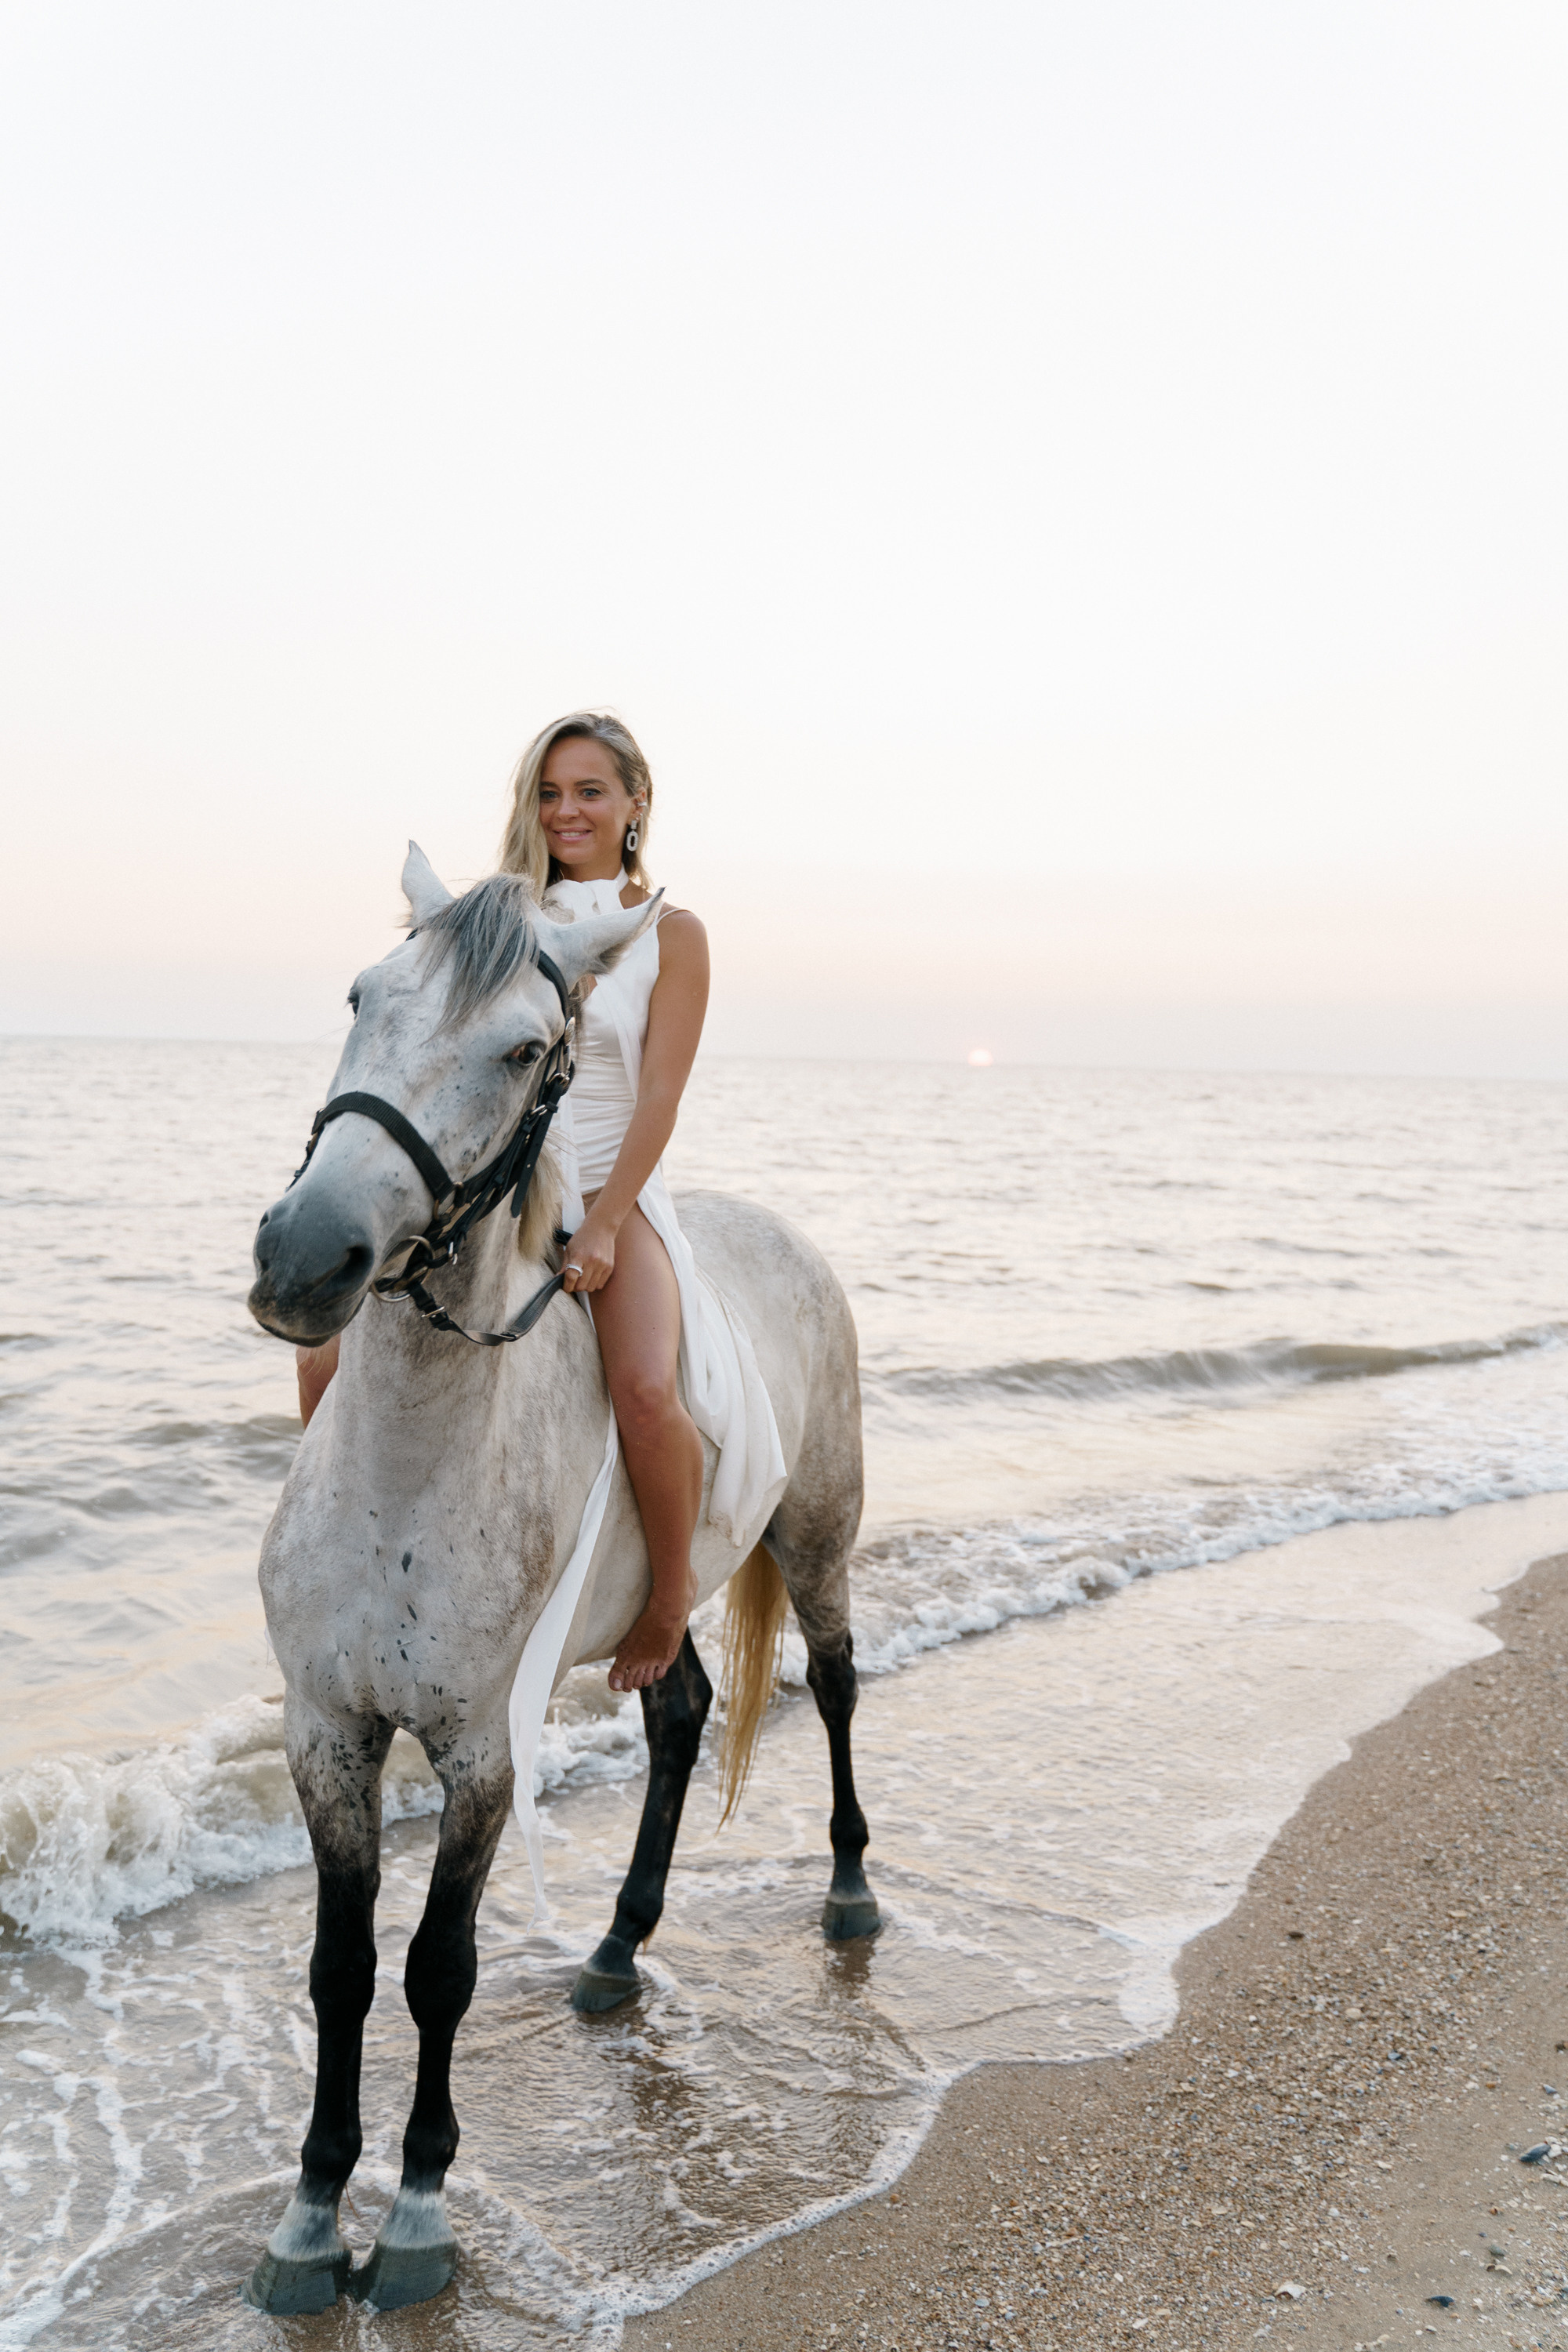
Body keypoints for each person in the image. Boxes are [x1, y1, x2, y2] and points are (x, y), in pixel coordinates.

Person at [296, 713, 778, 1697]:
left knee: (647, 1389)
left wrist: (605, 1223)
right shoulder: (498, 915)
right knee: (323, 1351)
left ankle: (667, 1599)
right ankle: (333, 1579)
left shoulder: (669, 933)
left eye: (590, 791)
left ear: (636, 802)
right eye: (550, 792)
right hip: (492, 1188)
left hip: (607, 1183)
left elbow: (659, 1097)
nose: (566, 811)